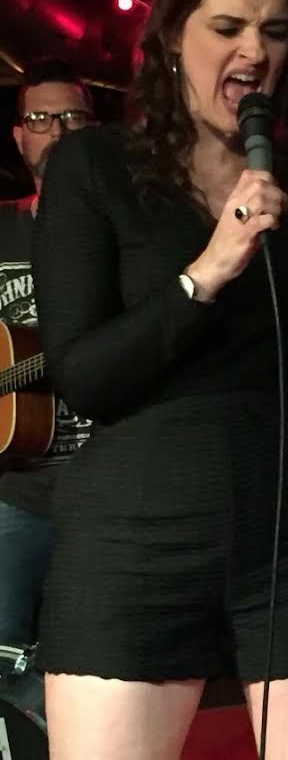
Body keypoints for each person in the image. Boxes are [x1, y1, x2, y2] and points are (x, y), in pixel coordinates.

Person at [32, 0, 288, 760]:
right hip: (137, 536)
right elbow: (84, 374)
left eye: (274, 32)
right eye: (228, 27)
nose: (254, 52)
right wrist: (206, 270)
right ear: (172, 37)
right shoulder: (96, 167)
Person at [0, 60, 94, 645]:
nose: (58, 131)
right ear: (19, 137)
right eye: (41, 119)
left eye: (73, 118)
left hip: (110, 485)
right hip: (15, 490)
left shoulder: (129, 229)